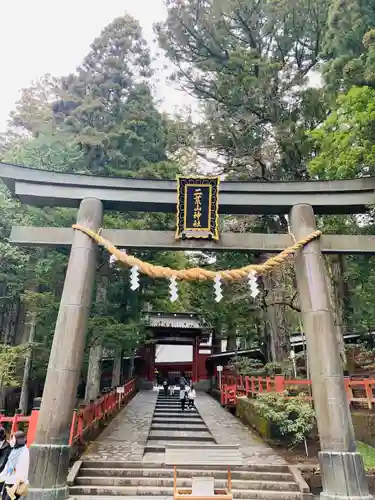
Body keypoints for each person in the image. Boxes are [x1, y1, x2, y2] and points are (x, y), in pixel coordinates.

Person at [0, 431, 29, 500]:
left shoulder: (24, 452)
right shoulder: (14, 451)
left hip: (16, 484)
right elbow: (7, 468)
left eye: (13, 439)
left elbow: (23, 470)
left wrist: (16, 485)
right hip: (8, 482)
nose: (11, 441)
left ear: (19, 440)